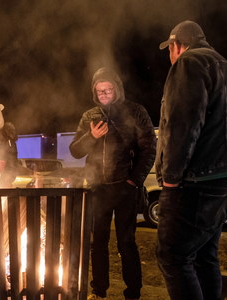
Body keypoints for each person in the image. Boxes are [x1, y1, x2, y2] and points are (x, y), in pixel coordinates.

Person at [156, 20, 227, 300]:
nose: (170, 56)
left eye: (170, 49)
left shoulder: (189, 63)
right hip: (226, 177)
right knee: (204, 256)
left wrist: (170, 178)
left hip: (194, 180)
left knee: (172, 256)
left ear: (176, 45)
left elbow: (182, 125)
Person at [70, 67, 156, 300]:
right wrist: (91, 137)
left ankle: (133, 292)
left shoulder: (135, 112)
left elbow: (149, 148)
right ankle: (99, 290)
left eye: (108, 89)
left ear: (117, 88)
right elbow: (75, 150)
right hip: (98, 187)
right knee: (97, 242)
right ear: (94, 92)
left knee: (126, 242)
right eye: (100, 91)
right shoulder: (89, 116)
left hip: (125, 186)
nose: (105, 94)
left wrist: (133, 180)